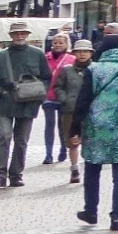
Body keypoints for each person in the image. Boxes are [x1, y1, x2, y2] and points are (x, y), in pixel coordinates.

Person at [71, 35, 118, 231]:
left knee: (92, 171)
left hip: (97, 129)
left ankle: (91, 211)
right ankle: (117, 217)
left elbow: (83, 100)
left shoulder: (94, 69)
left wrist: (75, 127)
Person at [2, 20, 48, 187]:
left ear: (28, 35)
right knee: (4, 137)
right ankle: (1, 173)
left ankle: (16, 175)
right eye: (16, 33)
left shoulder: (38, 54)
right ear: (11, 36)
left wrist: (39, 95)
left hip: (28, 104)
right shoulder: (2, 55)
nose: (19, 36)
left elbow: (46, 77)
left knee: (21, 141)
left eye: (23, 33)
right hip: (5, 103)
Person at [52, 35, 83, 186]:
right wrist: (64, 99)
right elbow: (58, 87)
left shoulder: (95, 69)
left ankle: (89, 167)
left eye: (86, 51)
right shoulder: (67, 70)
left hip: (89, 112)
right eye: (79, 51)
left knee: (89, 141)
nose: (82, 54)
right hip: (70, 110)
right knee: (72, 141)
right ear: (74, 52)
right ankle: (74, 168)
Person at [39, 29, 69, 169]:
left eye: (61, 43)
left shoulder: (71, 59)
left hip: (64, 97)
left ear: (66, 44)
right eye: (55, 42)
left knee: (62, 125)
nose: (58, 45)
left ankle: (63, 149)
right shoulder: (46, 57)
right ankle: (48, 154)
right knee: (49, 125)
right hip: (48, 96)